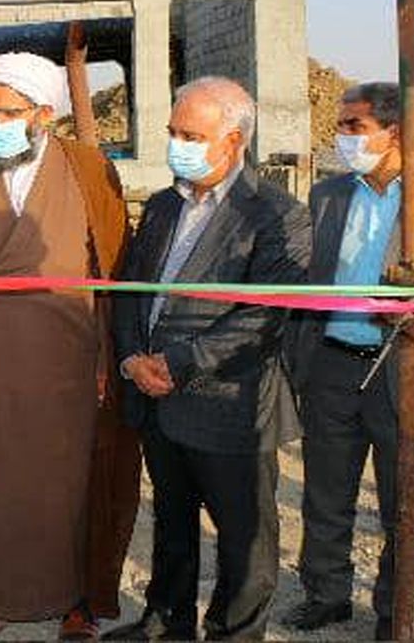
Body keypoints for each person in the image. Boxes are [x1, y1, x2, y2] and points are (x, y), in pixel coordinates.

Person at [0, 52, 129, 637]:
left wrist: (105, 357)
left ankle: (73, 598)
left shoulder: (89, 168)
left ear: (43, 112)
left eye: (7, 112)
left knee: (63, 481)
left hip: (66, 353)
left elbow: (112, 269)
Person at [108, 77, 309, 641]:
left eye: (191, 135)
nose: (178, 145)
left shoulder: (275, 214)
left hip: (229, 404)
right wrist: (131, 360)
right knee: (172, 522)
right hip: (155, 397)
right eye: (173, 132)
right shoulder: (165, 205)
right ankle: (165, 623)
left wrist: (178, 363)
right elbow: (130, 289)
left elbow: (264, 317)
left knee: (245, 539)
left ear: (234, 141)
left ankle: (233, 633)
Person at [282, 82, 414, 641]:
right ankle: (325, 594)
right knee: (326, 492)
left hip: (409, 368)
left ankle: (398, 609)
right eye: (340, 125)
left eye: (354, 126)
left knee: (409, 502)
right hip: (333, 366)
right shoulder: (328, 196)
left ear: (395, 132)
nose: (341, 137)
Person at [64, 21, 143, 627]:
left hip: (104, 361)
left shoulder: (99, 182)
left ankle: (89, 597)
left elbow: (117, 281)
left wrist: (115, 358)